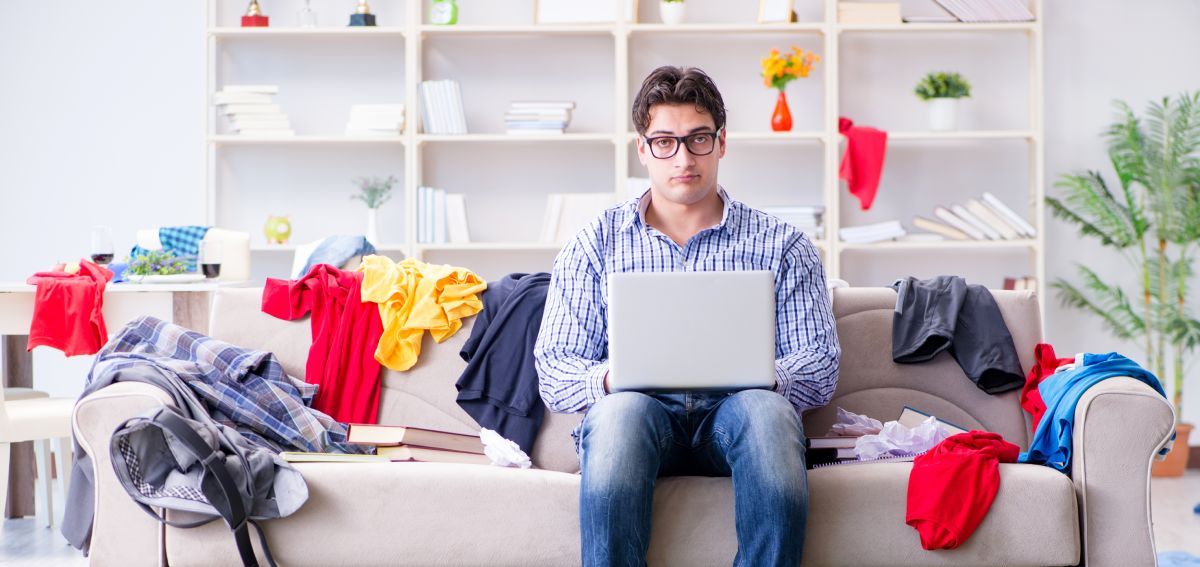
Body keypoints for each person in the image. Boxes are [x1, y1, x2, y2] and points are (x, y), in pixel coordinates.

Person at [533, 65, 841, 567]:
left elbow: (821, 366)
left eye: (698, 139)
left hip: (737, 421)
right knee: (617, 415)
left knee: (766, 412)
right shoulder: (595, 243)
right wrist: (613, 378)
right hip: (641, 421)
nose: (682, 157)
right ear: (642, 149)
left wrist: (765, 376)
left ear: (722, 143)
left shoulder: (783, 245)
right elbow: (555, 366)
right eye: (664, 142)